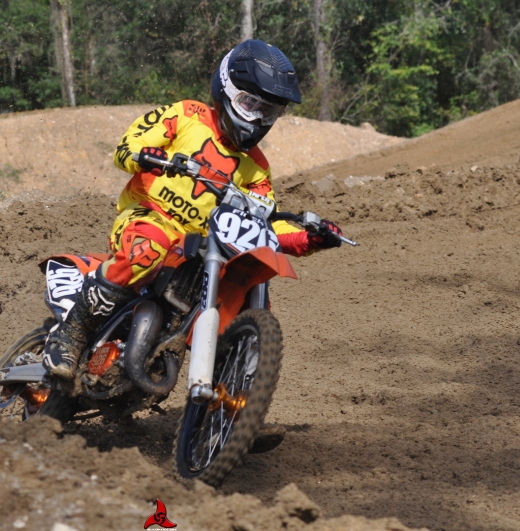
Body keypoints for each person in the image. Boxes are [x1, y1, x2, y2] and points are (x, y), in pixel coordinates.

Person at [43, 39, 343, 379]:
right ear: (226, 90)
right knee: (150, 246)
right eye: (250, 104)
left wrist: (308, 238)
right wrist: (146, 157)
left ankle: (233, 391)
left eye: (269, 111)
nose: (258, 118)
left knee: (246, 277)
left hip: (200, 248)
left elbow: (264, 224)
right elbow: (128, 145)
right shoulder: (187, 116)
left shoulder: (257, 168)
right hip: (148, 217)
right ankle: (71, 334)